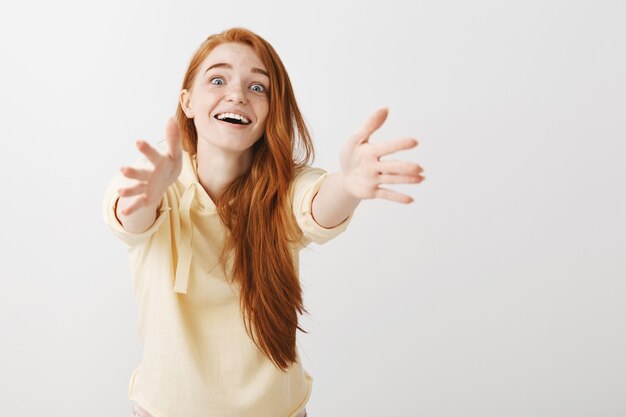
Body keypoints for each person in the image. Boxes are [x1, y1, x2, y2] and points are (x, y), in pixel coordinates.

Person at [102, 27, 425, 417]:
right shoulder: (154, 175)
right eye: (217, 80)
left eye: (258, 88)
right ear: (187, 102)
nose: (237, 94)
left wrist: (350, 185)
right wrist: (148, 196)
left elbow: (317, 204)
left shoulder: (285, 187)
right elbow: (130, 219)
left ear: (272, 110)